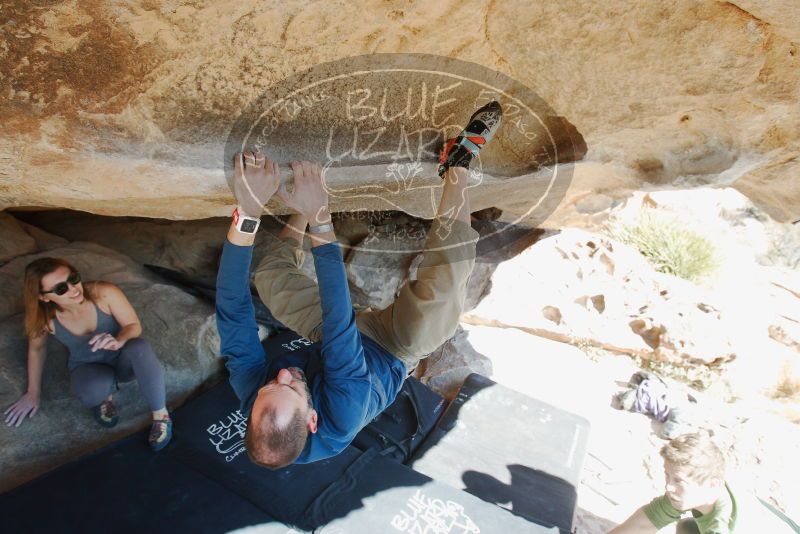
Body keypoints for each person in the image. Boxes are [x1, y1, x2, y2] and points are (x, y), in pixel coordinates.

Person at [216, 102, 502, 468]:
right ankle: (458, 163)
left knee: (270, 278)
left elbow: (232, 307)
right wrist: (322, 218)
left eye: (270, 385)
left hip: (327, 341)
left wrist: (249, 210)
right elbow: (339, 319)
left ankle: (301, 195)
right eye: (290, 387)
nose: (281, 375)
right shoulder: (343, 410)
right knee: (441, 301)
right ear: (313, 419)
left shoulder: (257, 397)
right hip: (392, 347)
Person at [4, 258, 173, 451]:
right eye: (61, 289)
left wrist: (118, 340)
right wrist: (33, 393)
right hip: (88, 365)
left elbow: (133, 325)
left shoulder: (104, 293)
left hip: (123, 359)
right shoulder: (44, 318)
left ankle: (162, 416)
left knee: (139, 347)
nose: (74, 289)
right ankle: (105, 397)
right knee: (88, 394)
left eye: (73, 279)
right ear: (43, 297)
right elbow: (36, 349)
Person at [609, 431, 798, 533]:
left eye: (679, 481)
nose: (669, 486)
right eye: (668, 476)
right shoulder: (700, 486)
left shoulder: (721, 528)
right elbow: (643, 523)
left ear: (713, 484)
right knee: (687, 528)